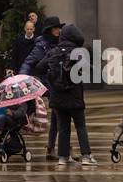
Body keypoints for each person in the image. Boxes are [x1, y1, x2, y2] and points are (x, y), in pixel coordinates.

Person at [36, 22, 97, 167]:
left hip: (57, 97)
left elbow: (39, 68)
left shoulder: (53, 52)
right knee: (80, 126)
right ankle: (86, 156)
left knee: (63, 127)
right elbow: (90, 70)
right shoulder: (79, 52)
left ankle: (63, 157)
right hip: (74, 96)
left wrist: (51, 77)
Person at [19, 14, 61, 158]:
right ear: (49, 30)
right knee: (59, 115)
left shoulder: (61, 42)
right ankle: (59, 148)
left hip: (60, 84)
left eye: (59, 28)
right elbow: (28, 62)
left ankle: (53, 147)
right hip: (49, 85)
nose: (58, 30)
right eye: (56, 28)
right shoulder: (41, 45)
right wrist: (22, 78)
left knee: (58, 116)